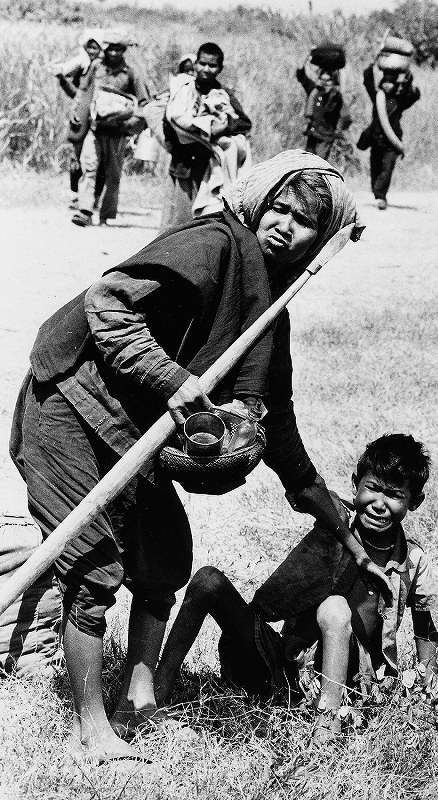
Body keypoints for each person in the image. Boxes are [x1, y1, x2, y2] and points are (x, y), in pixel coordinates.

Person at [9, 149, 388, 763]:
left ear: (320, 243)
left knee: (164, 558)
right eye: (279, 207)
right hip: (71, 404)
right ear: (258, 200)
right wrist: (170, 380)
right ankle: (92, 732)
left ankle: (139, 693)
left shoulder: (270, 308)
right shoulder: (215, 243)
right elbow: (108, 302)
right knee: (93, 567)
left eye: (303, 223)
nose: (284, 225)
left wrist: (327, 508)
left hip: (133, 432)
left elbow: (277, 424)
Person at [154, 434, 438, 744]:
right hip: (290, 665)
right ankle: (154, 698)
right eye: (373, 488)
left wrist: (424, 684)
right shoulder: (333, 529)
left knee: (335, 609)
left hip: (354, 682)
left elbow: (425, 625)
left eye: (394, 494)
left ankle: (325, 726)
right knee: (208, 580)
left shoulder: (412, 559)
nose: (380, 504)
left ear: (414, 502)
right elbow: (305, 494)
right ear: (356, 484)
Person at [160, 42, 252, 231]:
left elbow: (244, 122)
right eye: (202, 63)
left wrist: (221, 125)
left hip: (208, 167)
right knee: (178, 221)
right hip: (183, 162)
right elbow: (170, 120)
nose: (206, 69)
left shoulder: (224, 94)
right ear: (195, 63)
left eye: (212, 66)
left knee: (203, 221)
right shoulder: (183, 90)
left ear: (220, 69)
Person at [71, 29, 150, 228]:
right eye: (110, 49)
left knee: (113, 175)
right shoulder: (96, 67)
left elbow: (144, 103)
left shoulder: (131, 72)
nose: (113, 53)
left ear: (123, 50)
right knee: (89, 168)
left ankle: (106, 215)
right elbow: (82, 91)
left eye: (118, 49)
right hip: (95, 129)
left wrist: (131, 123)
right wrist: (76, 111)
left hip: (117, 133)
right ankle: (85, 211)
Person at [50, 29, 105, 209]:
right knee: (77, 160)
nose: (91, 51)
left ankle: (94, 199)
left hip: (99, 119)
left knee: (98, 161)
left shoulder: (103, 69)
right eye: (88, 47)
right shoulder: (82, 67)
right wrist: (62, 80)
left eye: (95, 47)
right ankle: (76, 196)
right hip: (81, 118)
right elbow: (76, 94)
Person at [359, 65, 420, 210]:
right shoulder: (376, 97)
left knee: (387, 168)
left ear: (395, 84)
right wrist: (371, 66)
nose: (387, 84)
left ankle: (381, 196)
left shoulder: (400, 100)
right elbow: (367, 82)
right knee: (375, 168)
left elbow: (414, 95)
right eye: (384, 81)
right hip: (376, 139)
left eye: (390, 82)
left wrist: (407, 80)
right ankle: (377, 192)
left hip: (392, 143)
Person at [296, 57, 349, 160]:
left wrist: (342, 72)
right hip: (312, 132)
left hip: (326, 136)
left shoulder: (336, 96)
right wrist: (306, 58)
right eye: (323, 74)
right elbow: (301, 75)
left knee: (319, 164)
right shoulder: (314, 90)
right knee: (307, 163)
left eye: (328, 75)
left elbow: (340, 110)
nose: (324, 77)